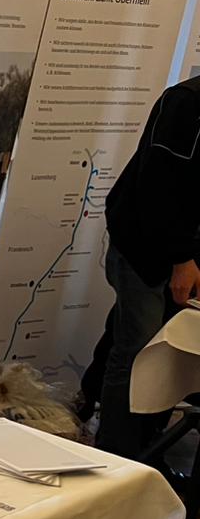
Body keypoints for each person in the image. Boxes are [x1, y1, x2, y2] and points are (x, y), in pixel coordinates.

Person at [96, 76, 200, 458]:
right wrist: (182, 259)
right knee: (139, 352)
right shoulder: (186, 104)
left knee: (157, 348)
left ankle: (144, 444)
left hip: (180, 248)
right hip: (144, 247)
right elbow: (157, 189)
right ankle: (115, 456)